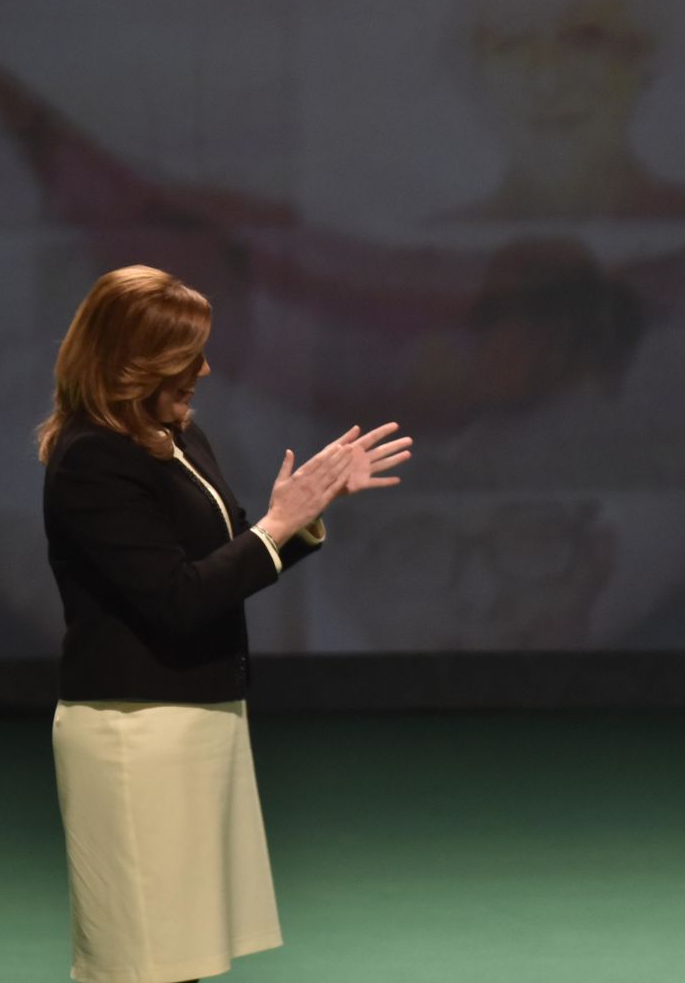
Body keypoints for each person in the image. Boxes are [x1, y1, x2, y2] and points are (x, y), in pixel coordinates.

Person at [38, 265, 411, 983]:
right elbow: (177, 597)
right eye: (187, 354)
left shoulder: (175, 435)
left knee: (182, 958)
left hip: (198, 720)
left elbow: (234, 551)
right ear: (133, 359)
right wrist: (278, 524)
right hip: (135, 731)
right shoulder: (92, 460)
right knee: (141, 963)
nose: (205, 368)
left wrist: (300, 518)